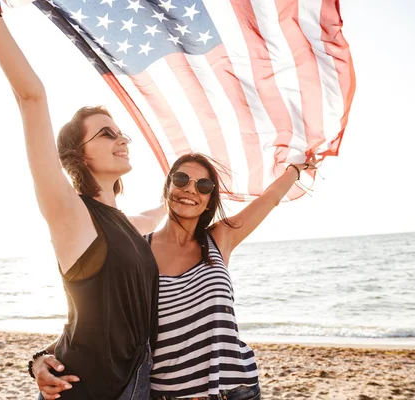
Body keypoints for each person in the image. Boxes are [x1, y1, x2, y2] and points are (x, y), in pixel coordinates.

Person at [0, 1, 166, 399]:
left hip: (138, 383)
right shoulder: (70, 213)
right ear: (79, 155)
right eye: (106, 134)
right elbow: (31, 98)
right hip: (92, 390)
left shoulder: (129, 225)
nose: (122, 139)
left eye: (121, 133)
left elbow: (89, 314)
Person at [35, 153, 316, 399]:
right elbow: (97, 319)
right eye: (181, 179)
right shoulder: (136, 252)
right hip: (168, 395)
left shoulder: (219, 239)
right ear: (167, 187)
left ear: (209, 201)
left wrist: (294, 168)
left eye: (203, 185)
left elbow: (270, 198)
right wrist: (39, 358)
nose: (190, 190)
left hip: (237, 390)